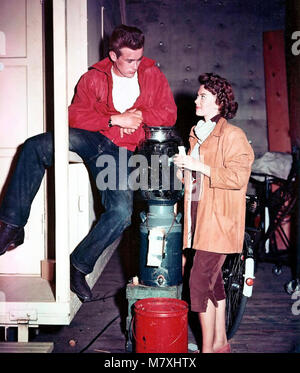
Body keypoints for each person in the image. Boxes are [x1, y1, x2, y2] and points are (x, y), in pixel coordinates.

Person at [0, 25, 177, 302]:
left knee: (120, 213)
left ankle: (77, 266)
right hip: (96, 139)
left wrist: (138, 115)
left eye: (139, 58)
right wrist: (113, 119)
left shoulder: (152, 74)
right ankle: (11, 225)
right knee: (35, 146)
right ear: (113, 56)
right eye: (129, 60)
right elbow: (74, 115)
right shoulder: (93, 77)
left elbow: (169, 113)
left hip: (123, 151)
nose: (136, 65)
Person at [173, 73, 254, 353]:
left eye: (202, 97)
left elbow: (237, 178)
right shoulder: (198, 133)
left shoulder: (233, 136)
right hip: (199, 219)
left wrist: (198, 167)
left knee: (198, 281)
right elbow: (196, 183)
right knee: (213, 282)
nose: (196, 100)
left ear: (219, 102)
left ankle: (207, 350)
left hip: (219, 221)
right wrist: (183, 170)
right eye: (197, 95)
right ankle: (220, 344)